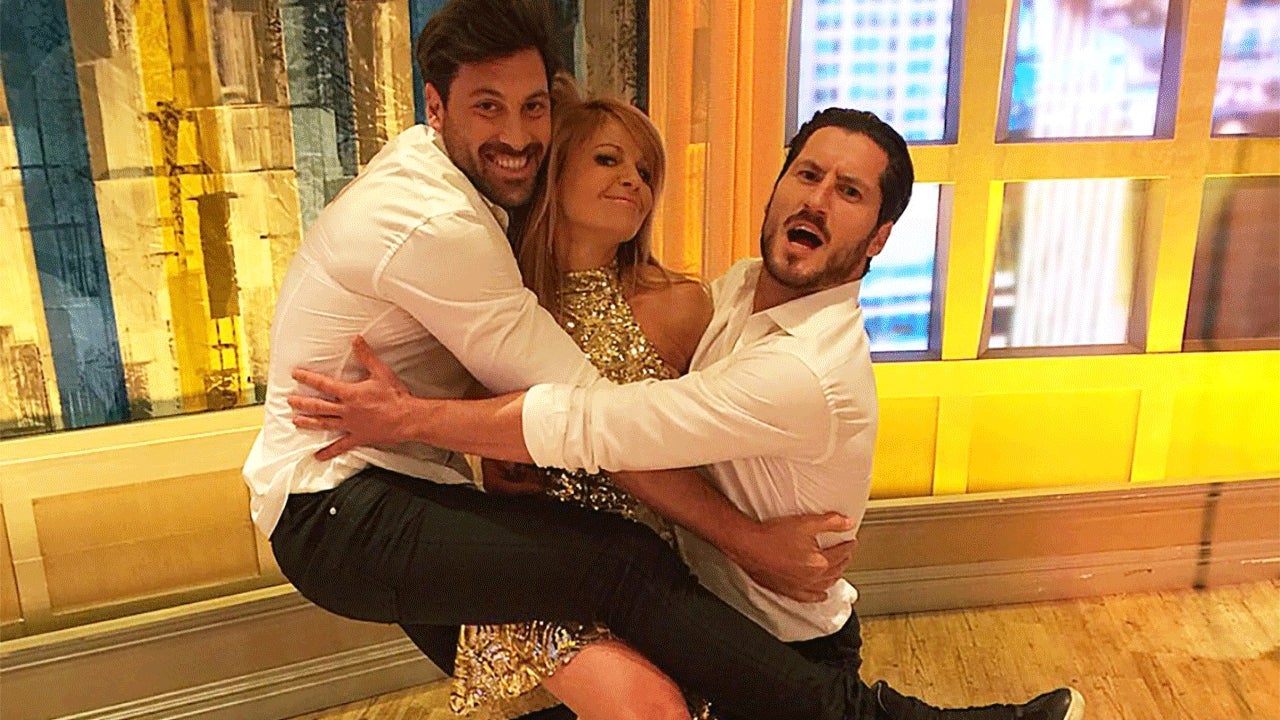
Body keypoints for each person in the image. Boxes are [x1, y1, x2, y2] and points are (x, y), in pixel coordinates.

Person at [288, 104, 1086, 720]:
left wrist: (412, 418)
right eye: (808, 174)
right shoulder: (733, 290)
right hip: (645, 595)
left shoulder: (783, 358)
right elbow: (525, 411)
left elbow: (601, 428)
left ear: (877, 239)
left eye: (848, 193)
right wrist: (483, 446)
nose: (817, 199)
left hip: (764, 640)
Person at [245, 1, 921, 719]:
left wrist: (427, 424)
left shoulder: (708, 305)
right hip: (344, 501)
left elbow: (609, 426)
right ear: (435, 108)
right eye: (487, 106)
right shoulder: (446, 226)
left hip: (427, 492)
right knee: (625, 592)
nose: (516, 135)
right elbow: (583, 419)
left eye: (533, 107)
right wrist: (747, 541)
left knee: (638, 651)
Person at [446, 92, 718, 719]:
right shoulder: (498, 306)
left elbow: (715, 448)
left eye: (645, 171)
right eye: (608, 159)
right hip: (543, 571)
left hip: (655, 571)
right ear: (556, 171)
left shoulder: (682, 304)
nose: (633, 180)